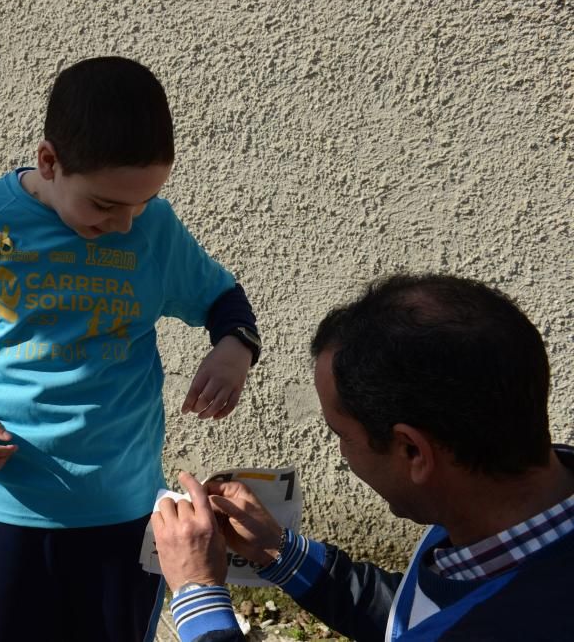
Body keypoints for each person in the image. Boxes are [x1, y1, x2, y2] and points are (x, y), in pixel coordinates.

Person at [0, 56, 261, 641]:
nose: (124, 223)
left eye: (140, 204)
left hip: (122, 514)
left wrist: (234, 349)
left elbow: (225, 300)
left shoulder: (154, 229)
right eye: (103, 205)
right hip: (6, 512)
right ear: (49, 161)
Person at [153, 273, 574, 641]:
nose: (342, 451)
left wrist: (200, 600)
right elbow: (413, 619)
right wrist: (279, 552)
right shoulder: (493, 524)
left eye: (342, 435)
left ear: (413, 451)